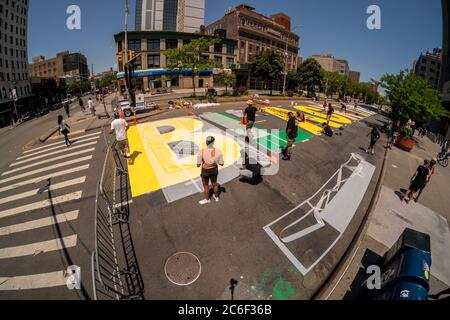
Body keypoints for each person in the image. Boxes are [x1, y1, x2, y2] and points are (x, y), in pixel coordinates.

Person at [197, 136, 225, 205]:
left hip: (205, 171)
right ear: (213, 142)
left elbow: (198, 165)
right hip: (214, 170)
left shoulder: (202, 151)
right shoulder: (218, 151)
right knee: (215, 184)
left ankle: (207, 199)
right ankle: (216, 197)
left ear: (206, 142)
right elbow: (221, 164)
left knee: (206, 186)